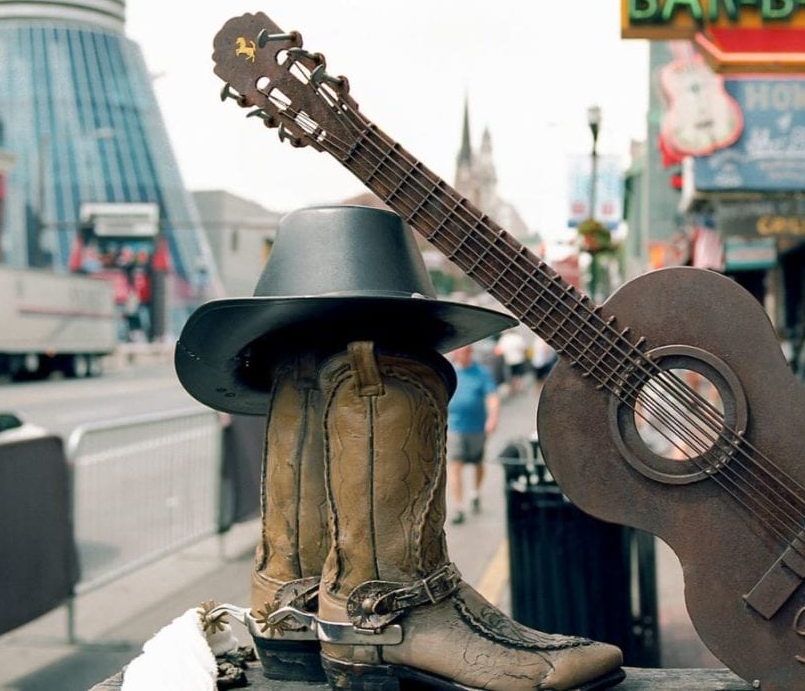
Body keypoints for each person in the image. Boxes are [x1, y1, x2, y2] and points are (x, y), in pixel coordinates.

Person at [175, 206, 621, 689]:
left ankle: (291, 597)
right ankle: (386, 612)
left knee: (303, 364)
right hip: (383, 614)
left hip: (298, 603)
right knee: (323, 368)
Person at [447, 342, 500, 524]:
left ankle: (475, 492)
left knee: (478, 462)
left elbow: (492, 396)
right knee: (455, 465)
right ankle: (459, 507)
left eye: (466, 351)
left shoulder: (481, 372)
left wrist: (492, 418)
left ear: (470, 352)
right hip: (454, 427)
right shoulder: (450, 372)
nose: (463, 355)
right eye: (460, 351)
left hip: (477, 427)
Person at [495, 329, 528, 393]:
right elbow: (524, 348)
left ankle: (514, 388)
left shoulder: (503, 339)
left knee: (512, 375)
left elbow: (498, 351)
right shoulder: (517, 337)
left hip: (509, 360)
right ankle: (520, 386)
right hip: (519, 359)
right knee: (519, 375)